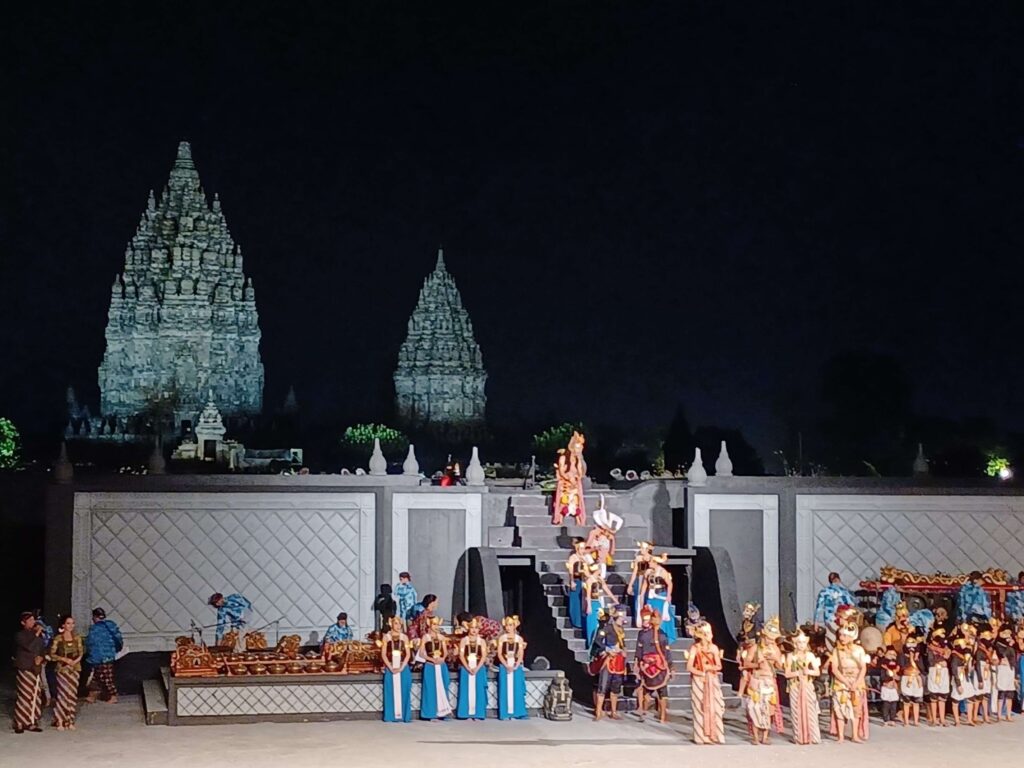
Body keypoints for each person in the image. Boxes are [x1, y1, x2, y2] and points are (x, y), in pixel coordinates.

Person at [742, 616, 783, 745]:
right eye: (769, 639)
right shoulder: (755, 648)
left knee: (769, 710)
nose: (770, 642)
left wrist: (775, 659)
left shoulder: (775, 649)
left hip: (769, 681)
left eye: (773, 639)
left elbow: (780, 666)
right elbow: (746, 663)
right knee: (755, 709)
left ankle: (765, 736)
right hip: (757, 680)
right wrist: (757, 664)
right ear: (764, 636)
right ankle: (755, 736)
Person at [829, 620, 869, 743]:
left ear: (852, 636)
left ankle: (855, 735)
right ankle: (840, 736)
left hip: (857, 681)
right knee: (840, 708)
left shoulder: (859, 650)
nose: (842, 638)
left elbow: (863, 668)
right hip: (842, 681)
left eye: (845, 635)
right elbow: (834, 669)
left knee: (856, 709)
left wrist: (856, 683)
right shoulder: (836, 650)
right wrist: (845, 682)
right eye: (841, 635)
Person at [687, 619, 725, 743]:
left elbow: (719, 666)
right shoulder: (695, 648)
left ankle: (715, 734)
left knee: (715, 707)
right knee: (700, 707)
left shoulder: (714, 648)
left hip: (712, 680)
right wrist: (700, 672)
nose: (711, 636)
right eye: (708, 633)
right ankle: (701, 736)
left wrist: (709, 668)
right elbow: (689, 666)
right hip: (699, 680)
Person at [634, 606, 671, 723]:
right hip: (647, 666)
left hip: (658, 666)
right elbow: (639, 650)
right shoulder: (643, 634)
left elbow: (666, 652)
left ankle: (662, 716)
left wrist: (670, 666)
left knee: (661, 692)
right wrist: (636, 663)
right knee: (645, 690)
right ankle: (643, 711)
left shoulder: (661, 635)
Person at [784, 628, 821, 745]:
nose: (801, 645)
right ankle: (799, 737)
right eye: (799, 642)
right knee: (796, 710)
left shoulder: (810, 655)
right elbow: (787, 673)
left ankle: (813, 736)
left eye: (804, 643)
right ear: (795, 644)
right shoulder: (790, 656)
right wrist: (797, 673)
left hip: (807, 685)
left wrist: (808, 671)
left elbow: (817, 672)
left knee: (810, 710)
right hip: (795, 686)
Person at [591, 605, 627, 720]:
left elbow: (622, 643)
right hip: (608, 660)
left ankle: (613, 712)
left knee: (615, 687)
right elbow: (598, 640)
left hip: (619, 660)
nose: (623, 619)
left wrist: (623, 650)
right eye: (621, 617)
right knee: (603, 686)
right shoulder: (608, 628)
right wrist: (607, 649)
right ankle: (598, 712)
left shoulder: (621, 630)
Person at [48, 615, 84, 731]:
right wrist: (64, 660)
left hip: (74, 669)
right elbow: (52, 654)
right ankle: (60, 720)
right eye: (68, 623)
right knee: (63, 695)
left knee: (72, 695)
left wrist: (74, 661)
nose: (71, 626)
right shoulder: (58, 638)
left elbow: (81, 652)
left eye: (72, 623)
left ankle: (70, 719)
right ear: (63, 624)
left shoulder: (77, 637)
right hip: (62, 669)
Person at [13, 611, 46, 734]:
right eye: (30, 620)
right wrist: (37, 634)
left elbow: (42, 648)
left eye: (34, 620)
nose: (33, 622)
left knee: (35, 695)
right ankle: (20, 722)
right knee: (24, 695)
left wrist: (41, 657)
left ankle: (31, 721)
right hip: (25, 667)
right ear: (23, 622)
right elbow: (30, 646)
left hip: (35, 667)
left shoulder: (38, 635)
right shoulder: (20, 635)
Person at [85, 607, 123, 704]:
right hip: (107, 656)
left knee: (106, 677)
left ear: (94, 617)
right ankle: (93, 694)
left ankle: (113, 696)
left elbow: (90, 643)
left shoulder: (95, 629)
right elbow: (118, 640)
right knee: (97, 677)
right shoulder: (111, 626)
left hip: (99, 657)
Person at [418, 616, 452, 720]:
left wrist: (442, 658)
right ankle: (430, 714)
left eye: (438, 624)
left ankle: (442, 712)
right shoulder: (425, 637)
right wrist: (431, 660)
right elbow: (421, 653)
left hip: (441, 665)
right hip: (430, 665)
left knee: (443, 686)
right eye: (434, 624)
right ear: (430, 624)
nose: (436, 626)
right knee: (430, 689)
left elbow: (445, 652)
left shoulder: (441, 637)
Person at [379, 616, 412, 723]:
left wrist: (401, 667)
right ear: (391, 624)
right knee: (390, 691)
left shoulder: (405, 637)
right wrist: (390, 667)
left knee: (404, 691)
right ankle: (391, 715)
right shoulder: (386, 637)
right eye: (396, 623)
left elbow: (408, 654)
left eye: (400, 624)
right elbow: (383, 654)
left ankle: (404, 715)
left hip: (403, 668)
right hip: (391, 667)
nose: (398, 626)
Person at [495, 615, 528, 720]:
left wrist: (516, 665)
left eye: (511, 625)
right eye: (507, 625)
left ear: (515, 626)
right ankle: (505, 713)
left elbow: (521, 654)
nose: (508, 627)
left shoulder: (519, 639)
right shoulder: (502, 639)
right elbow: (499, 654)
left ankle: (516, 712)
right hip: (504, 665)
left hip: (515, 666)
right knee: (505, 689)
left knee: (516, 689)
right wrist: (506, 665)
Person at [456, 617, 489, 720]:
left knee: (478, 690)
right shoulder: (464, 641)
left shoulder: (482, 641)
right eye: (472, 628)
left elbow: (483, 656)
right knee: (466, 690)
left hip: (478, 668)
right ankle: (466, 713)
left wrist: (477, 668)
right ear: (468, 628)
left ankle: (478, 713)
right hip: (466, 668)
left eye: (476, 628)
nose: (474, 630)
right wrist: (468, 667)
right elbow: (461, 655)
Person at [552, 430, 586, 526]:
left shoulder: (577, 460)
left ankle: (579, 520)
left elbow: (580, 472)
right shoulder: (563, 458)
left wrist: (579, 461)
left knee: (576, 500)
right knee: (564, 500)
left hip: (574, 482)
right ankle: (559, 518)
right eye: (576, 449)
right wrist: (567, 478)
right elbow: (562, 471)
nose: (578, 451)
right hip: (565, 482)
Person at [643, 554, 677, 644]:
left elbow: (669, 584)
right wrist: (642, 595)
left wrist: (669, 595)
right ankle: (652, 635)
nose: (649, 563)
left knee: (661, 615)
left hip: (661, 596)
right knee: (650, 614)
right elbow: (645, 584)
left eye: (650, 561)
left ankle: (664, 636)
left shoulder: (662, 571)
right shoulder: (648, 572)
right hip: (651, 596)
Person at [584, 565, 617, 647]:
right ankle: (591, 645)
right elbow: (588, 595)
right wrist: (589, 606)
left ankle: (599, 644)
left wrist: (614, 599)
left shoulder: (600, 579)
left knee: (599, 625)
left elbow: (606, 589)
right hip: (592, 603)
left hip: (598, 603)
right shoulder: (589, 580)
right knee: (592, 625)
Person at [926, 627, 951, 726]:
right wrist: (940, 662)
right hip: (934, 671)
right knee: (934, 696)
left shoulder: (945, 648)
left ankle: (942, 718)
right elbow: (930, 661)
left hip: (943, 673)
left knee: (942, 696)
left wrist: (945, 659)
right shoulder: (930, 648)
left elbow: (948, 657)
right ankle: (934, 719)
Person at [899, 633, 925, 727]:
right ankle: (906, 721)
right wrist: (909, 658)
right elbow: (902, 667)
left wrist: (916, 659)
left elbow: (922, 668)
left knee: (916, 701)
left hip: (916, 679)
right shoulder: (902, 656)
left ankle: (916, 721)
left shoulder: (918, 657)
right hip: (907, 678)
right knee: (906, 701)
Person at [626, 541, 654, 628]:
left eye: (643, 548)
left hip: (649, 581)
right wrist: (630, 585)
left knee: (647, 600)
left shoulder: (652, 559)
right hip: (640, 579)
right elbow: (634, 573)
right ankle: (639, 620)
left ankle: (648, 620)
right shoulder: (638, 559)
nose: (641, 549)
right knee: (638, 599)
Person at [565, 539, 588, 629]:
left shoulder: (586, 557)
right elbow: (571, 571)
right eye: (581, 548)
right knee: (575, 602)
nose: (583, 550)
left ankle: (583, 620)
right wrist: (572, 581)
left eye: (584, 548)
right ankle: (576, 621)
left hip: (584, 582)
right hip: (576, 581)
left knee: (583, 601)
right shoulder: (573, 557)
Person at [994, 626, 1016, 721]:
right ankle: (999, 714)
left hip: (1010, 670)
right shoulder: (998, 644)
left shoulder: (1010, 646)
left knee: (1010, 693)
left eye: (1009, 633)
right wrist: (1008, 646)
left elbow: (1013, 658)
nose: (1008, 635)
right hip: (1002, 669)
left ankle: (1008, 714)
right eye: (1006, 633)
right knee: (1002, 692)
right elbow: (1001, 655)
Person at [878, 646, 901, 726]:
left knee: (894, 705)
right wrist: (888, 678)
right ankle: (885, 720)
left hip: (894, 687)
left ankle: (892, 719)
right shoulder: (883, 665)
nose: (892, 655)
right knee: (886, 704)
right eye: (890, 654)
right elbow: (882, 677)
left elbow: (898, 676)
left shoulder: (897, 665)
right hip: (886, 686)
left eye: (893, 654)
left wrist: (896, 677)